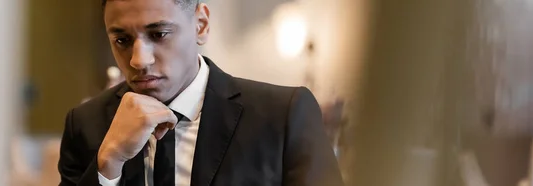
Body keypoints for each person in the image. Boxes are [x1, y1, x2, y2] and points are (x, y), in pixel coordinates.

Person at [57, 0, 344, 185]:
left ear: (201, 25)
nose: (138, 60)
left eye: (158, 34)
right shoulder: (86, 124)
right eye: (122, 40)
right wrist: (108, 164)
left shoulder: (283, 115)